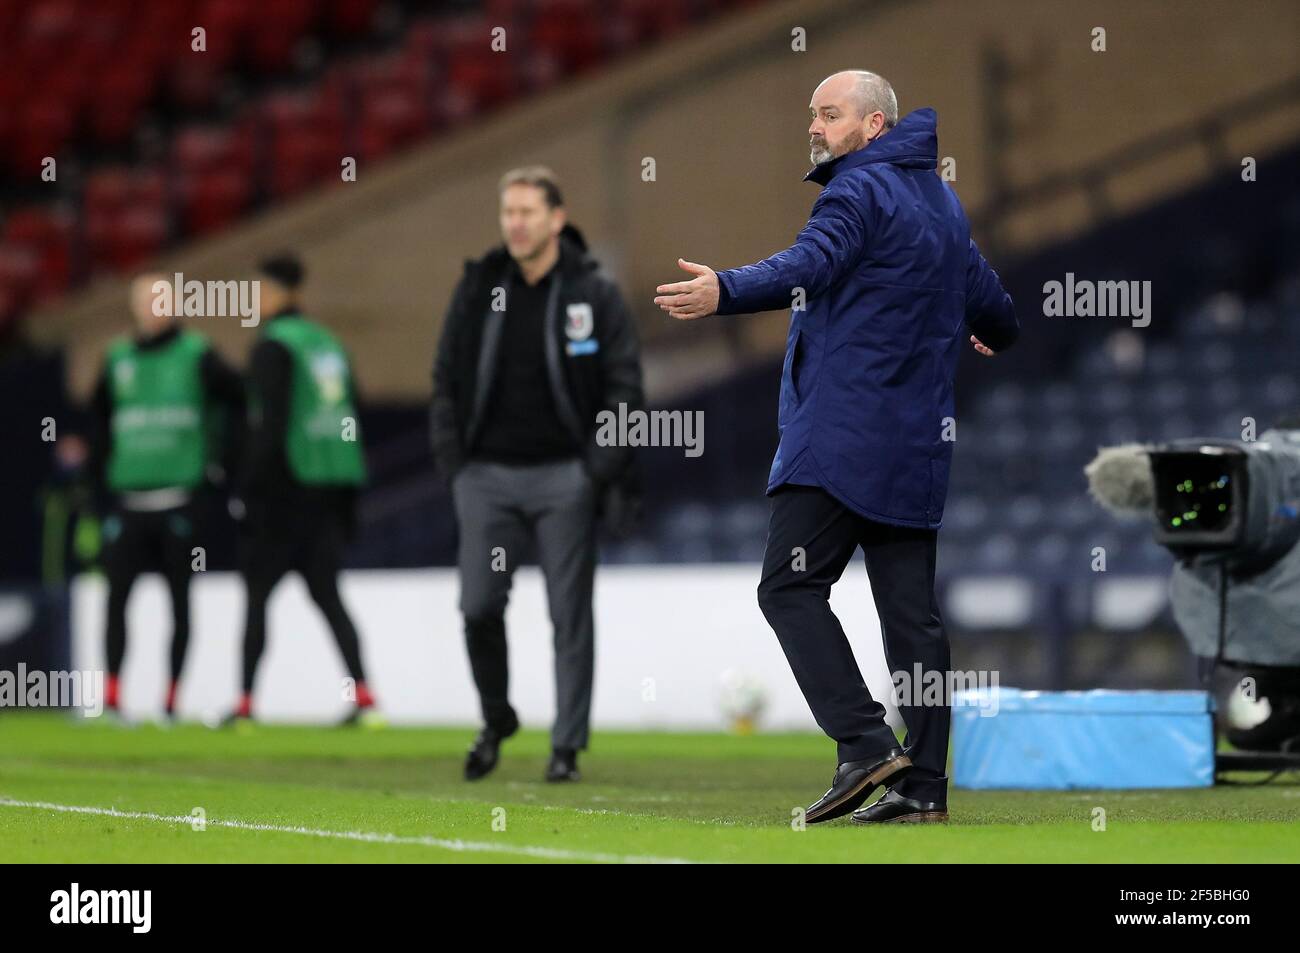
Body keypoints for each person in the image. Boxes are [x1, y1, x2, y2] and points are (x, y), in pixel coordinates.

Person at [654, 71, 1019, 823]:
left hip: (842, 438)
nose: (815, 126)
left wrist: (726, 288)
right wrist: (992, 330)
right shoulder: (943, 205)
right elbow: (997, 307)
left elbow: (807, 265)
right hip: (917, 445)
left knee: (787, 587)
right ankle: (923, 787)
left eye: (830, 114)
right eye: (812, 114)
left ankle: (860, 741)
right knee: (912, 617)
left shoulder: (858, 192)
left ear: (874, 126)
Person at [431, 166, 643, 782]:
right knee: (477, 606)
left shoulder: (592, 293)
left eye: (527, 212)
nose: (515, 224)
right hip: (486, 477)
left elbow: (624, 387)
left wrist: (595, 469)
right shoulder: (478, 288)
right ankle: (497, 717)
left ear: (556, 218)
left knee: (568, 614)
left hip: (564, 479)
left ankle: (566, 746)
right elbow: (444, 380)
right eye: (508, 214)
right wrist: (455, 465)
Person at [230, 254, 378, 726]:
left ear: (276, 292)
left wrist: (247, 489)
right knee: (330, 598)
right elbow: (353, 415)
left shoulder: (274, 346)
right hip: (330, 491)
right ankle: (365, 696)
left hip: (283, 494)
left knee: (256, 598)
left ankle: (246, 703)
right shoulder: (328, 344)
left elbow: (268, 426)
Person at [90, 271, 243, 719]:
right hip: (130, 503)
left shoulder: (198, 354)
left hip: (181, 501)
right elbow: (99, 423)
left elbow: (239, 399)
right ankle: (114, 695)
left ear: (176, 305)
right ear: (135, 306)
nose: (156, 308)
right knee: (116, 602)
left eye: (163, 300)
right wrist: (95, 481)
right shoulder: (117, 359)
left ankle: (172, 697)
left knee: (180, 602)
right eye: (148, 300)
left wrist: (220, 467)